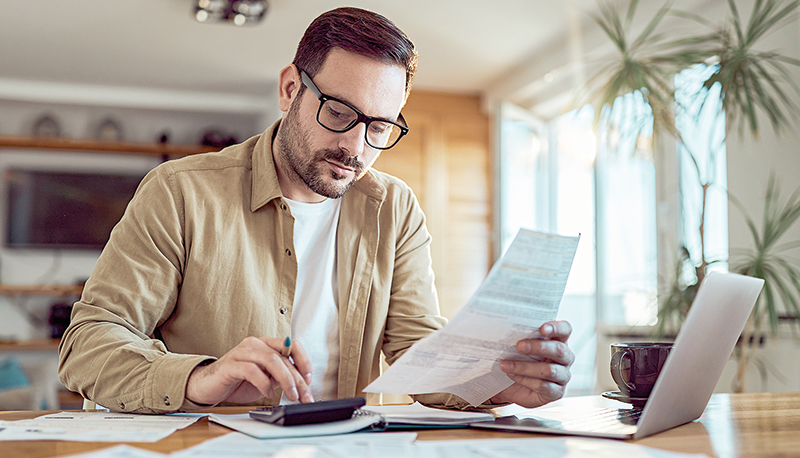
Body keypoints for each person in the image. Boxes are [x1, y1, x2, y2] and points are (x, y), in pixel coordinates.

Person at [58, 6, 575, 414]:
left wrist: (502, 386)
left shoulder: (393, 208)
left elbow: (417, 349)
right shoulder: (179, 192)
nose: (356, 147)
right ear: (290, 90)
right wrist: (201, 378)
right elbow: (88, 342)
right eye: (339, 112)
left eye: (379, 127)